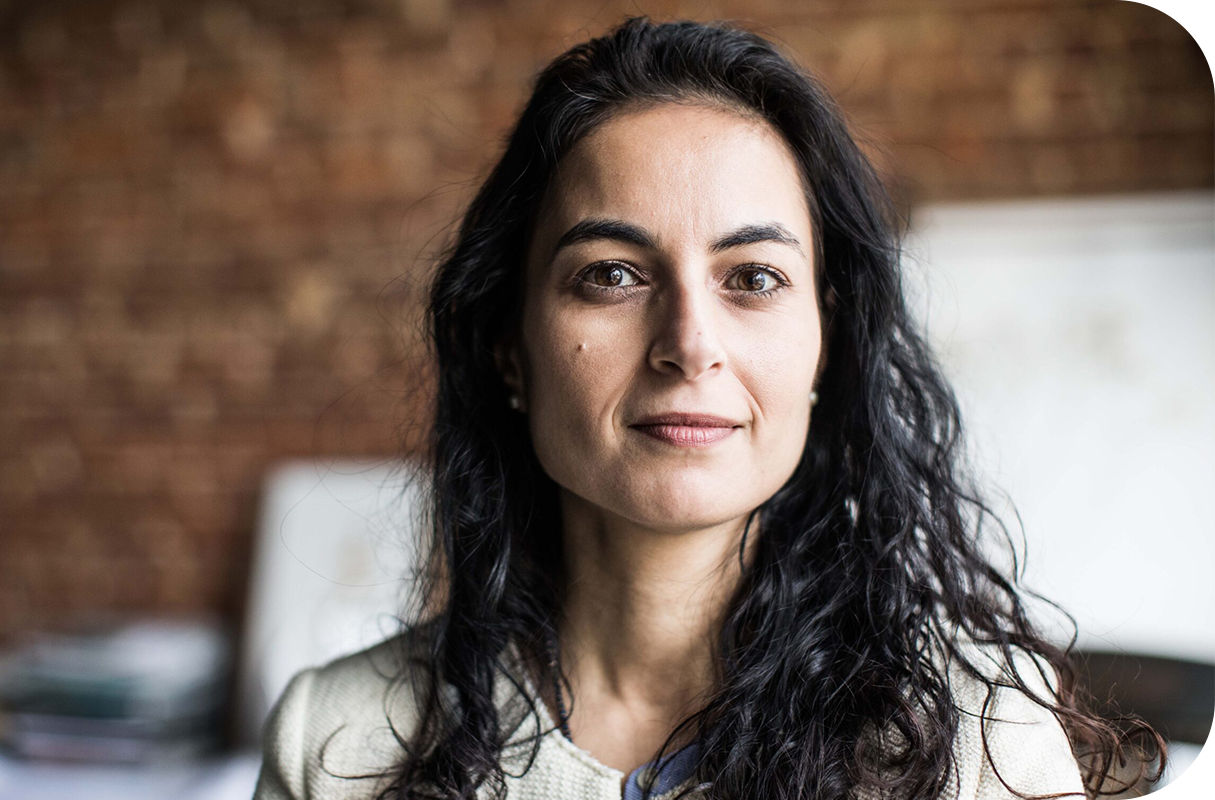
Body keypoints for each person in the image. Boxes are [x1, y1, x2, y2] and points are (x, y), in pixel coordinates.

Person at [254, 16, 1164, 800]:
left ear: (826, 346)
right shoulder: (339, 744)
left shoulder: (976, 739)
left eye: (755, 278)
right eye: (612, 274)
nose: (690, 342)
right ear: (510, 349)